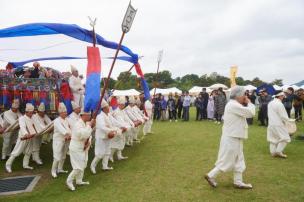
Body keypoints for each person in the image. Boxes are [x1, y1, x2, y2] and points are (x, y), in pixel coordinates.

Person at [205, 86, 255, 189]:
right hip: (232, 137)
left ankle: (238, 181)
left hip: (235, 136)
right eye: (244, 94)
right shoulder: (233, 105)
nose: (245, 97)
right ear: (239, 95)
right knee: (227, 159)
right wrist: (249, 102)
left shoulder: (234, 104)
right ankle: (211, 175)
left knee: (239, 159)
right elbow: (250, 113)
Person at [66, 110, 95, 191]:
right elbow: (83, 135)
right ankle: (69, 181)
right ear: (83, 115)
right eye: (88, 115)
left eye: (90, 115)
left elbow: (89, 135)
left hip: (83, 147)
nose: (89, 116)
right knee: (78, 167)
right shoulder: (78, 124)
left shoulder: (85, 123)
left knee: (84, 164)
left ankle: (79, 181)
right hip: (76, 147)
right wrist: (90, 126)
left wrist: (88, 143)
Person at [6, 103, 37, 173]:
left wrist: (36, 132)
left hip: (30, 137)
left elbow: (35, 126)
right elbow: (22, 127)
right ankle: (8, 165)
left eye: (32, 112)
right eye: (30, 113)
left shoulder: (32, 118)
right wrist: (26, 134)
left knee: (28, 152)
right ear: (26, 112)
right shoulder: (22, 118)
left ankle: (25, 165)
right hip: (23, 138)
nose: (31, 114)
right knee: (16, 152)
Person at [90, 99, 117, 173]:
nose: (109, 108)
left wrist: (118, 128)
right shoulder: (100, 116)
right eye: (108, 107)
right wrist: (110, 130)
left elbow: (114, 122)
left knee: (107, 151)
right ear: (104, 108)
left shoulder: (108, 115)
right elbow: (102, 126)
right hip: (101, 136)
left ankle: (105, 166)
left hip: (108, 136)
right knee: (100, 153)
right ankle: (93, 166)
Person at [267, 92, 293, 158]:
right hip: (278, 124)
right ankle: (278, 151)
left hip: (271, 124)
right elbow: (283, 116)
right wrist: (290, 121)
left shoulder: (270, 103)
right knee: (286, 138)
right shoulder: (279, 104)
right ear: (280, 96)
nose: (283, 97)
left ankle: (273, 152)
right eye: (283, 96)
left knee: (273, 138)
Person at [51, 103, 72, 178]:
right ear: (60, 113)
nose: (65, 113)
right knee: (57, 157)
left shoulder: (67, 120)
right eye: (64, 112)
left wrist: (72, 134)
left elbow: (71, 127)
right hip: (58, 141)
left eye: (66, 112)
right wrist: (67, 134)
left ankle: (60, 169)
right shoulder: (57, 121)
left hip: (66, 140)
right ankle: (53, 171)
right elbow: (62, 129)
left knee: (63, 156)